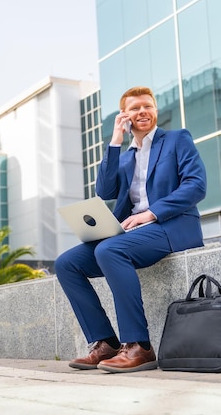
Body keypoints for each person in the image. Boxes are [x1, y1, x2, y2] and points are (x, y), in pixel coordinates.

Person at [55, 86, 206, 373]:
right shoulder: (124, 158)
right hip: (131, 233)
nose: (143, 112)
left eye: (147, 106)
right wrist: (115, 141)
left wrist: (150, 213)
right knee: (67, 263)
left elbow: (196, 185)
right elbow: (105, 189)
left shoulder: (177, 140)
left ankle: (139, 346)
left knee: (110, 249)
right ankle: (106, 342)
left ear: (156, 111)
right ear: (125, 115)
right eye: (135, 108)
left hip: (170, 226)